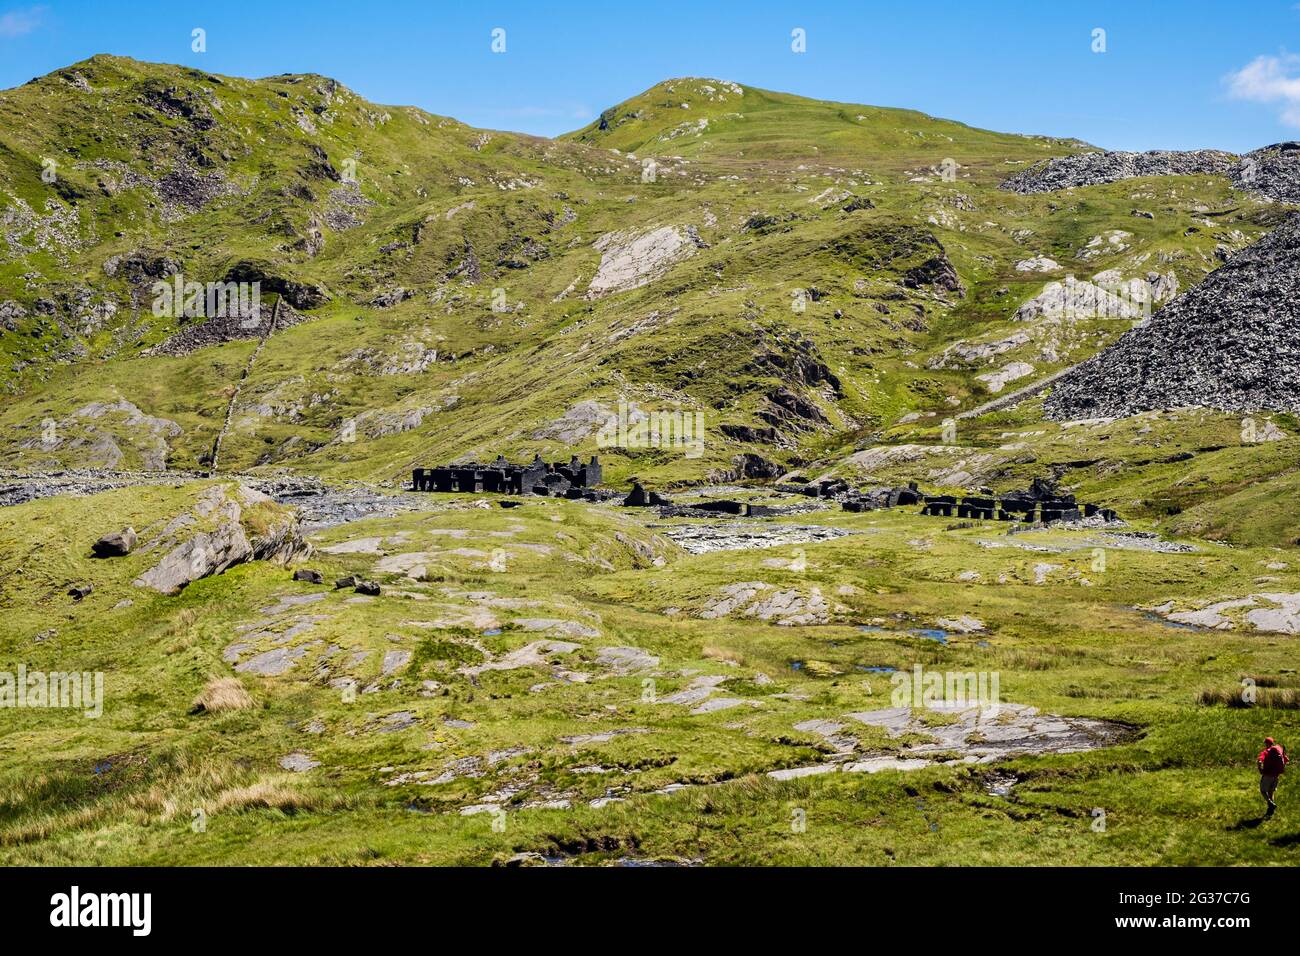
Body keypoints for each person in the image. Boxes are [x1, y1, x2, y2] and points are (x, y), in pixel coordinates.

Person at [1257, 737, 1289, 816]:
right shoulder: (1279, 751)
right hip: (1276, 776)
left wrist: (1260, 769)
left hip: (1268, 775)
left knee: (1263, 791)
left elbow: (1259, 761)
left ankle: (1270, 803)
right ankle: (1271, 810)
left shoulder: (1265, 752)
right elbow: (1286, 760)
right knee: (1271, 792)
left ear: (1267, 743)